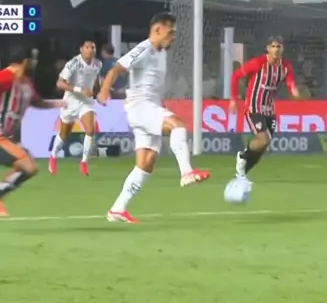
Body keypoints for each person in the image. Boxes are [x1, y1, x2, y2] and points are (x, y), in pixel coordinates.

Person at [97, 12, 210, 224]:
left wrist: (161, 106)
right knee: (178, 126)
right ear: (157, 30)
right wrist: (104, 91)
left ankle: (117, 209)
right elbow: (116, 69)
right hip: (140, 106)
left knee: (146, 163)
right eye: (170, 32)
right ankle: (186, 172)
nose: (173, 37)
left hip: (150, 107)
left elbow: (152, 85)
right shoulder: (144, 48)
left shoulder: (161, 53)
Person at [0, 46, 61, 217]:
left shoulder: (25, 83)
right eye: (34, 59)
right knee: (26, 165)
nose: (35, 62)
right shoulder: (6, 77)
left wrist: (61, 104)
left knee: (30, 168)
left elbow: (38, 102)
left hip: (8, 138)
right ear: (26, 61)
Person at [229, 36, 299, 181]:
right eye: (273, 46)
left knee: (263, 147)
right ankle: (242, 156)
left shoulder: (285, 67)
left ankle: (242, 173)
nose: (276, 50)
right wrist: (233, 99)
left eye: (278, 46)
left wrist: (295, 92)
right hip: (254, 107)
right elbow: (236, 76)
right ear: (267, 48)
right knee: (263, 140)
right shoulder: (258, 63)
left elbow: (291, 83)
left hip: (269, 110)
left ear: (283, 49)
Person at [49, 40, 102, 177]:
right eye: (87, 47)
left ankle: (84, 162)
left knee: (90, 130)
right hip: (71, 101)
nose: (90, 50)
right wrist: (80, 90)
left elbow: (95, 79)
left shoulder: (98, 64)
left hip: (86, 102)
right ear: (81, 49)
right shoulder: (73, 63)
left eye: (93, 47)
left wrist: (100, 92)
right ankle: (53, 155)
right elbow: (60, 83)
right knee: (64, 134)